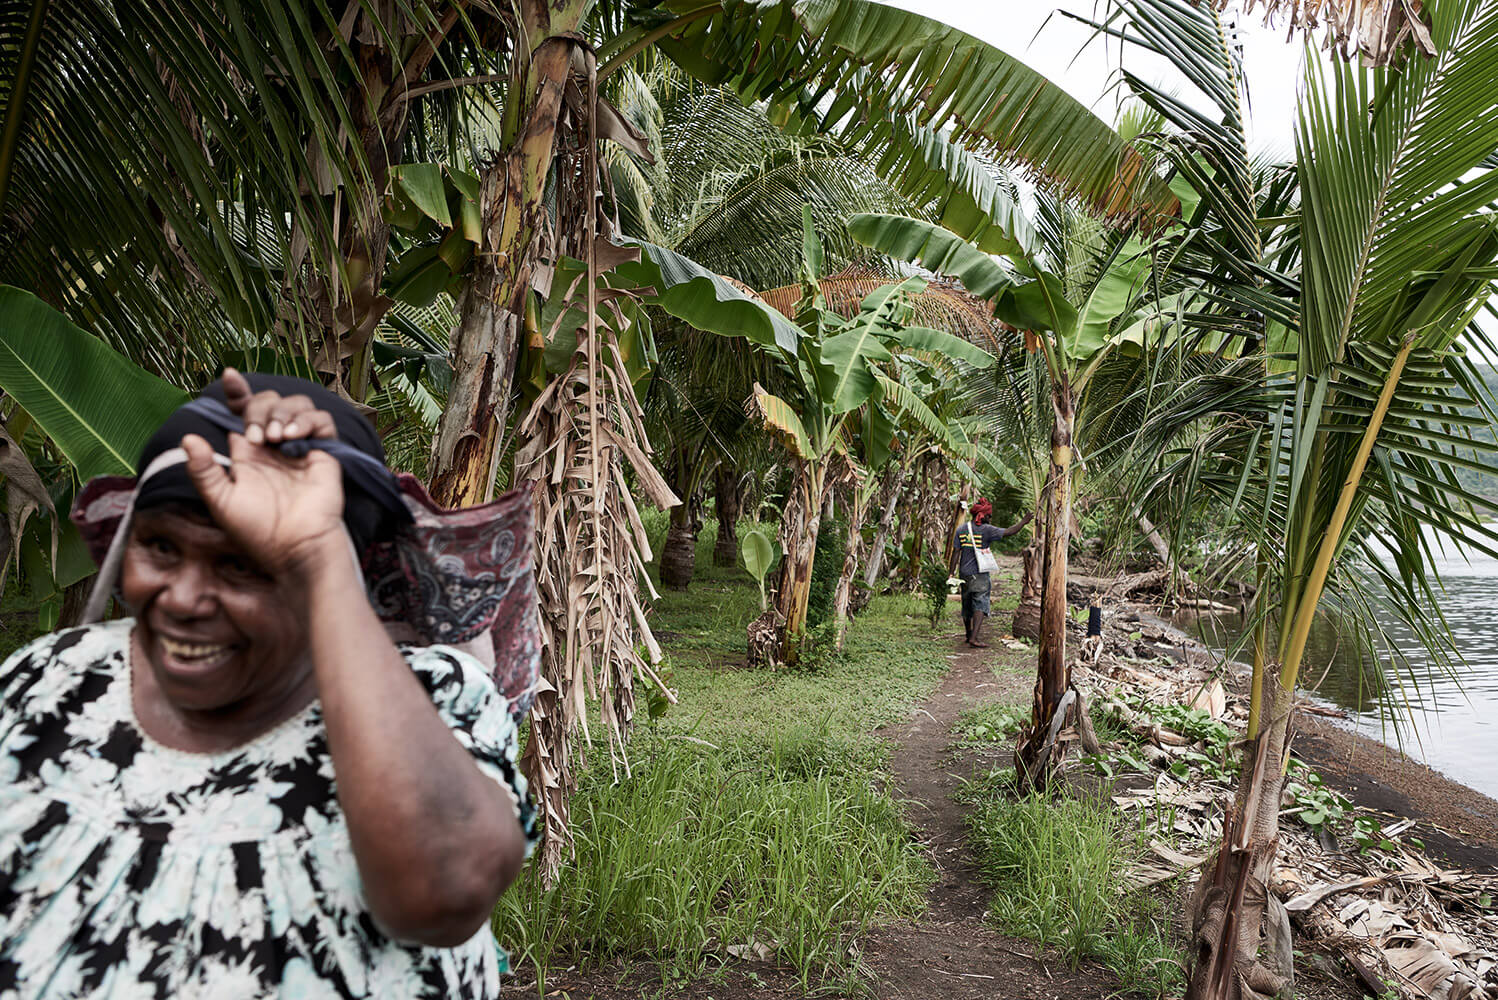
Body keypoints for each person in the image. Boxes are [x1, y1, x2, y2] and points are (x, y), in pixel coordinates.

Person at [0, 369, 540, 999]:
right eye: (161, 549)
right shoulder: (52, 680)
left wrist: (314, 546)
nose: (183, 599)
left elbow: (444, 894)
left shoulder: (435, 697)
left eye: (241, 565)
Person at [951, 498, 1032, 648]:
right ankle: (974, 638)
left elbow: (956, 552)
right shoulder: (986, 530)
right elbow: (1009, 531)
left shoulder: (961, 529)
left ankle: (968, 634)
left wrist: (951, 573)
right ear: (985, 516)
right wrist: (1024, 521)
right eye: (990, 516)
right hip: (980, 574)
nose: (991, 518)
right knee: (980, 603)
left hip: (964, 574)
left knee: (967, 603)